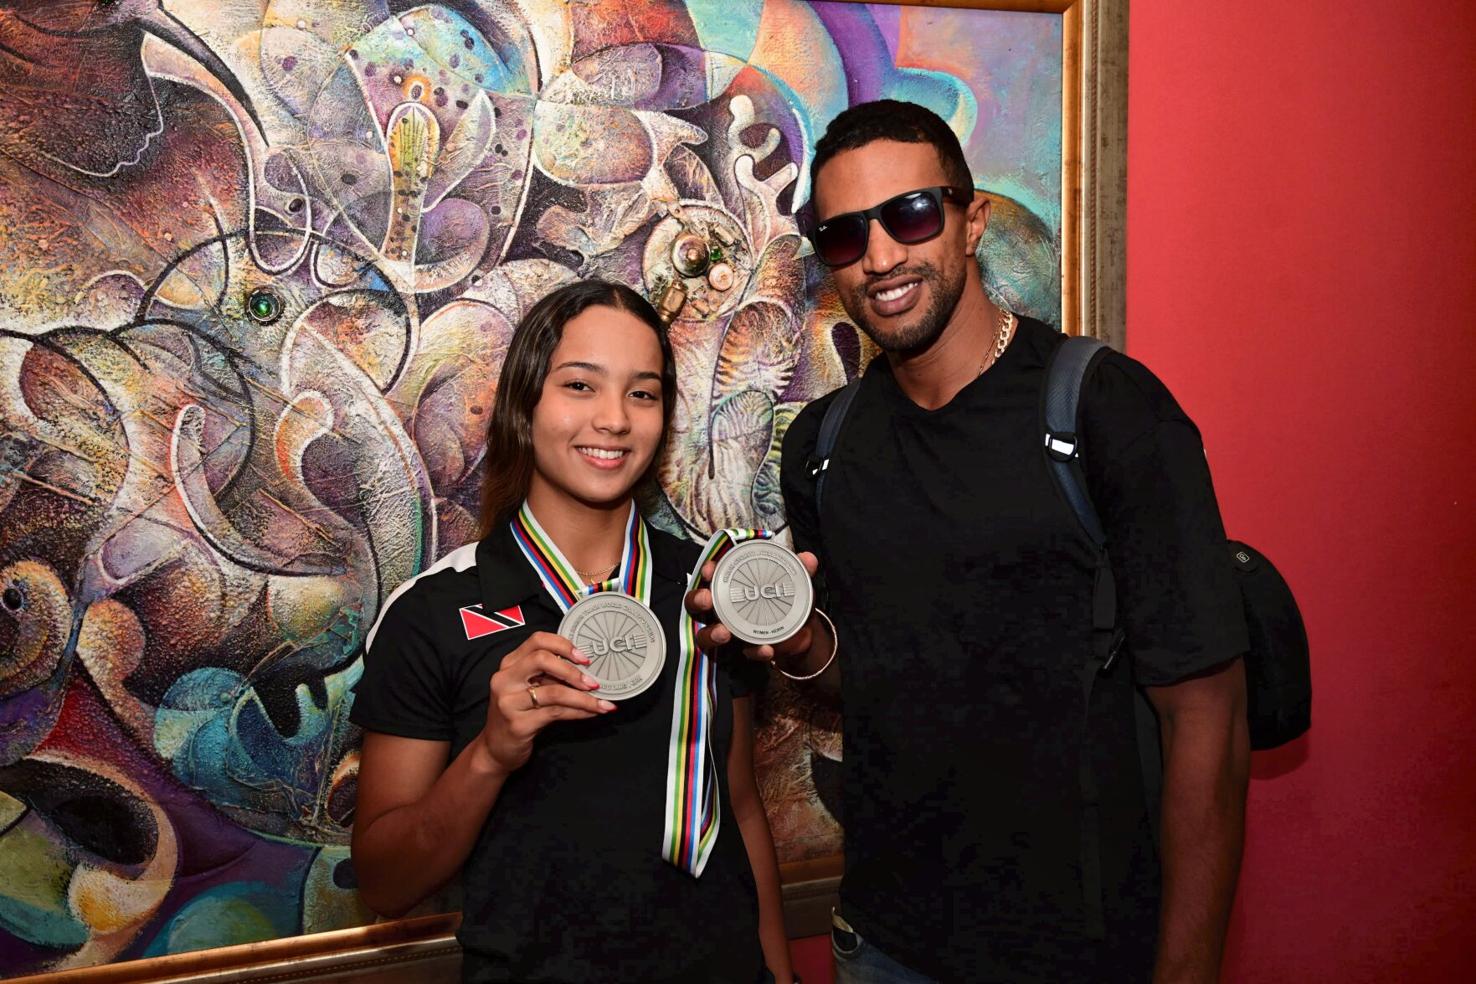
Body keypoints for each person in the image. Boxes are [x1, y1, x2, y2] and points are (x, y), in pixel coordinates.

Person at [688, 100, 1251, 982]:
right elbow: (863, 675)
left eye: (909, 215)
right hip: (884, 944)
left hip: (1082, 953)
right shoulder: (823, 447)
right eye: (843, 236)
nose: (878, 258)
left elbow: (1207, 717)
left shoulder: (1105, 410)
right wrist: (798, 643)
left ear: (971, 219)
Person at [350, 280, 796, 984]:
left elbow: (738, 807)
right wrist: (490, 756)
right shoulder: (432, 613)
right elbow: (384, 882)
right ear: (526, 402)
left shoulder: (709, 588)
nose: (615, 419)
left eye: (643, 393)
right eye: (581, 385)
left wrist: (780, 975)